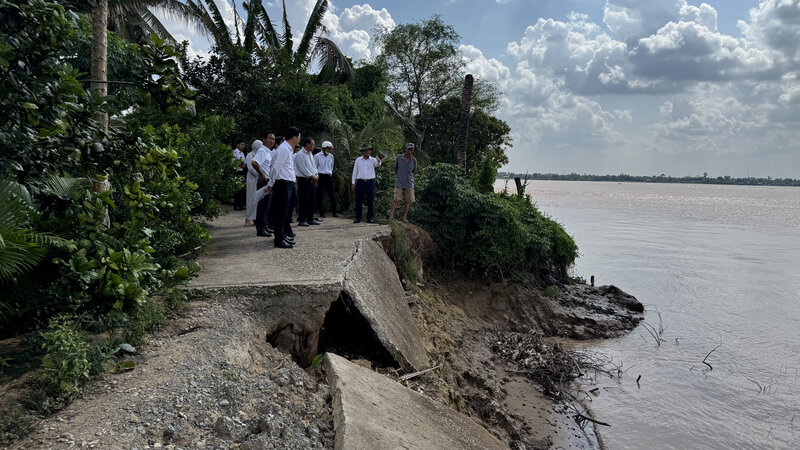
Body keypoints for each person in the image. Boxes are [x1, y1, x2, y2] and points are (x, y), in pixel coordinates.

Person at [267, 126, 301, 248]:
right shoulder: (283, 149)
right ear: (294, 137)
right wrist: (271, 183)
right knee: (281, 212)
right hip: (283, 183)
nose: (299, 139)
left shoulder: (288, 149)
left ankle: (283, 235)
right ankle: (279, 239)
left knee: (286, 212)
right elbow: (276, 167)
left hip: (289, 183)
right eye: (299, 136)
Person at [351, 145, 381, 223]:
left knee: (370, 200)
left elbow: (378, 164)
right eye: (366, 150)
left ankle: (370, 218)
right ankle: (358, 217)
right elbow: (355, 171)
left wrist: (379, 161)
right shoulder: (358, 160)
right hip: (360, 181)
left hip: (370, 182)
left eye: (369, 150)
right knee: (358, 200)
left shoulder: (373, 160)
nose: (368, 152)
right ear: (363, 151)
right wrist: (353, 182)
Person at [293, 137, 319, 226]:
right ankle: (302, 219)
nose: (313, 146)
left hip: (312, 179)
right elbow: (303, 168)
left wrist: (316, 175)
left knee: (312, 200)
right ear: (307, 144)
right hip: (304, 179)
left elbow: (314, 167)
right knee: (304, 200)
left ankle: (310, 218)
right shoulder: (300, 154)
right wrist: (312, 176)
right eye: (312, 144)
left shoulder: (310, 154)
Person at [252, 133, 274, 237]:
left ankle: (264, 227)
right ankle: (260, 229)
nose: (272, 141)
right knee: (262, 206)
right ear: (264, 139)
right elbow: (254, 163)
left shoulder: (268, 151)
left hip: (268, 181)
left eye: (273, 139)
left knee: (266, 206)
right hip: (264, 181)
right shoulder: (262, 150)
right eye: (270, 138)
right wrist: (261, 174)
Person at [390, 143, 418, 222]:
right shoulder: (399, 158)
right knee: (396, 199)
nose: (410, 151)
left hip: (409, 183)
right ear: (405, 149)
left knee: (408, 201)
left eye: (411, 149)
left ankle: (404, 218)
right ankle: (391, 216)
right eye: (408, 149)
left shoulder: (414, 160)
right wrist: (399, 176)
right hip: (399, 182)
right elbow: (395, 168)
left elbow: (413, 171)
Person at [315, 141, 337, 218]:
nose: (330, 150)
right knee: (320, 195)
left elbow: (331, 166)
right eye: (329, 148)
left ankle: (334, 212)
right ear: (324, 148)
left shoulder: (331, 156)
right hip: (320, 176)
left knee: (332, 195)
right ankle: (321, 212)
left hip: (328, 176)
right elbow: (315, 167)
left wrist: (330, 173)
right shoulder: (317, 156)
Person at [244, 140, 260, 226]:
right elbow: (250, 168)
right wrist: (259, 174)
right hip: (252, 178)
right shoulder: (250, 155)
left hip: (258, 178)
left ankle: (255, 218)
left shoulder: (258, 155)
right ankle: (248, 219)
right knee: (250, 197)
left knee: (256, 198)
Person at [232, 140, 247, 211]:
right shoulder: (235, 152)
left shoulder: (242, 154)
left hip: (242, 172)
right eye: (242, 144)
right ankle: (236, 205)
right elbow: (234, 163)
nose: (243, 146)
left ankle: (240, 204)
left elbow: (244, 163)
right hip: (236, 171)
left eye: (244, 145)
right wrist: (240, 164)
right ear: (238, 145)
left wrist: (242, 165)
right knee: (237, 189)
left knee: (241, 189)